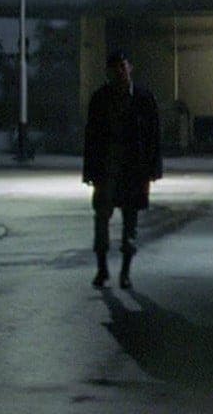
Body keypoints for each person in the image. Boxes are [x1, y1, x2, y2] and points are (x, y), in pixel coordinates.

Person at [82, 51, 162, 289]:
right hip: (107, 169)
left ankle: (125, 271)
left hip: (133, 170)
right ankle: (103, 269)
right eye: (115, 68)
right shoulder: (100, 99)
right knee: (102, 220)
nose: (119, 72)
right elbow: (91, 136)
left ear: (129, 68)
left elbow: (153, 136)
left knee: (130, 223)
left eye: (122, 67)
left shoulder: (143, 98)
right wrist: (89, 171)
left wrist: (153, 168)